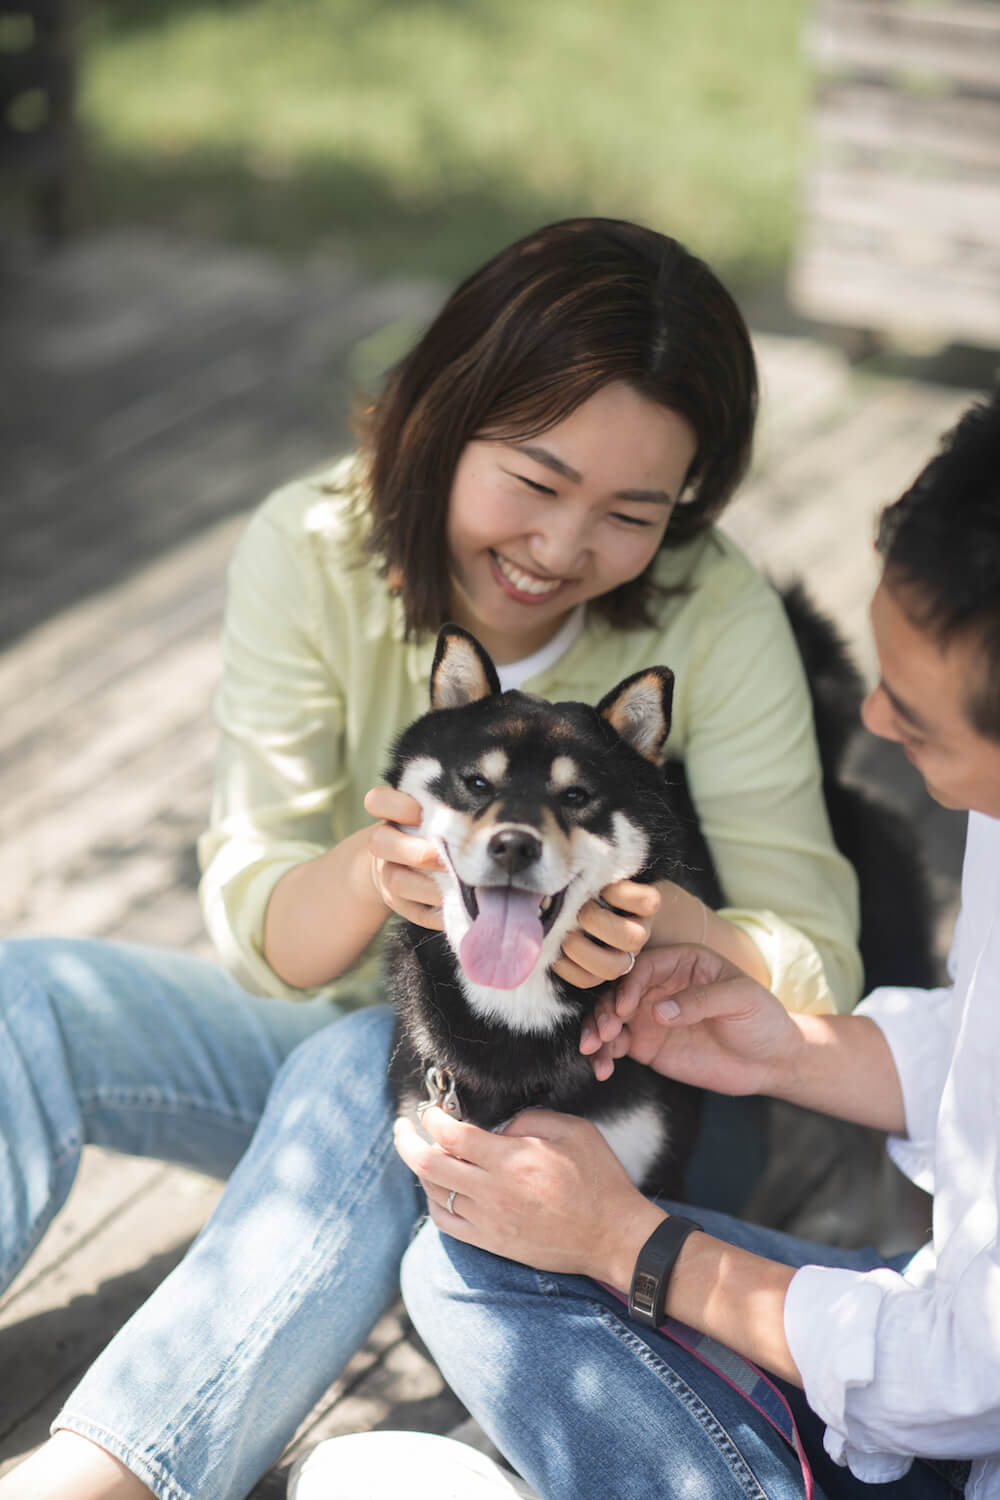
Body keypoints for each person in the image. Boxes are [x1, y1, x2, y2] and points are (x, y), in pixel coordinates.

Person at [0, 218, 862, 1500]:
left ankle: (110, 1477)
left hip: (601, 1119)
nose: (565, 547)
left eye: (633, 512)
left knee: (380, 1065)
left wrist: (665, 919)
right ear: (437, 414)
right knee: (33, 1003)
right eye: (533, 480)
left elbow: (817, 952)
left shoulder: (711, 613)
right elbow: (258, 921)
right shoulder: (311, 552)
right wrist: (363, 873)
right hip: (330, 1050)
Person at [396, 388, 1000, 1499]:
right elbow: (986, 1053)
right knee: (469, 1265)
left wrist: (630, 1246)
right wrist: (791, 1050)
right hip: (941, 1311)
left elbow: (965, 1377)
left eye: (910, 708)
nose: (867, 723)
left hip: (964, 1388)